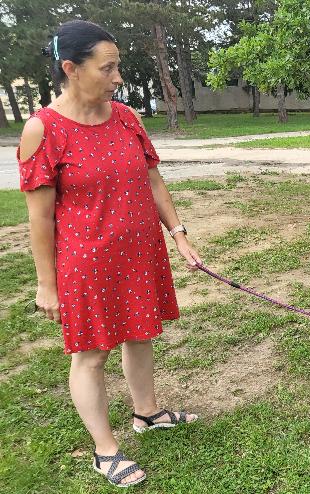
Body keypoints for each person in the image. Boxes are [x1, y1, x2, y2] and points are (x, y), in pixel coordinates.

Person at [17, 20, 200, 487]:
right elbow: (40, 218)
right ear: (71, 69)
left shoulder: (126, 119)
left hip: (140, 250)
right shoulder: (44, 129)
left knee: (141, 334)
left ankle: (147, 412)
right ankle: (105, 450)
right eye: (109, 68)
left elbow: (154, 181)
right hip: (87, 261)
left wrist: (178, 234)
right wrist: (46, 283)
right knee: (92, 354)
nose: (118, 77)